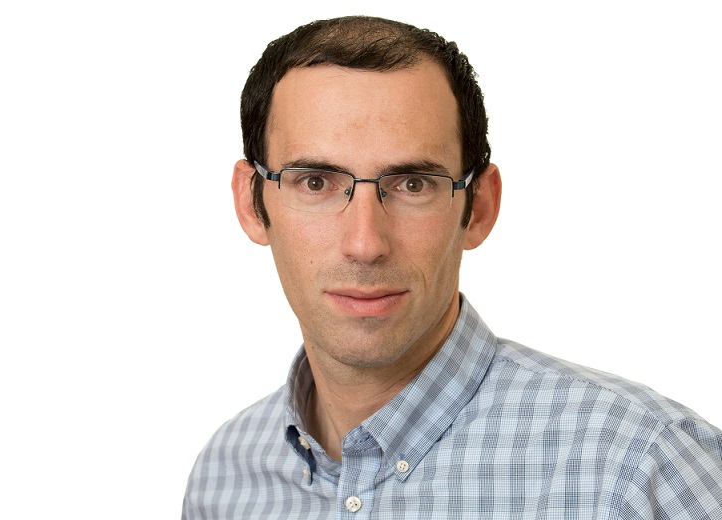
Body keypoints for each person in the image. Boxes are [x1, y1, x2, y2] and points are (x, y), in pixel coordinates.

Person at [183, 15, 722, 519]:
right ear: (251, 203)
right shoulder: (222, 481)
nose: (365, 244)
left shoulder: (641, 469)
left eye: (413, 184)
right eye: (316, 182)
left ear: (479, 207)